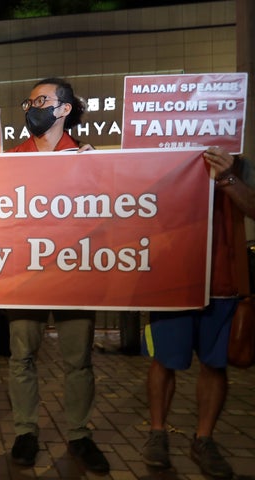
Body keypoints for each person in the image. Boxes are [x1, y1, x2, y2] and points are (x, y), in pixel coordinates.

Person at [6, 78, 110, 474]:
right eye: (29, 102)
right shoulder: (12, 157)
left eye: (41, 100)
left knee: (78, 360)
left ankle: (80, 435)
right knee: (21, 357)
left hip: (74, 274)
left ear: (64, 109)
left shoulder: (86, 158)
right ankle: (25, 432)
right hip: (25, 275)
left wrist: (96, 170)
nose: (31, 107)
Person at [141, 147, 254, 479]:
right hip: (170, 279)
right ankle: (157, 433)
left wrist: (229, 178)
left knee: (215, 364)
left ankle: (204, 439)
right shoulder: (159, 157)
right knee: (163, 360)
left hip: (223, 282)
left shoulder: (239, 162)